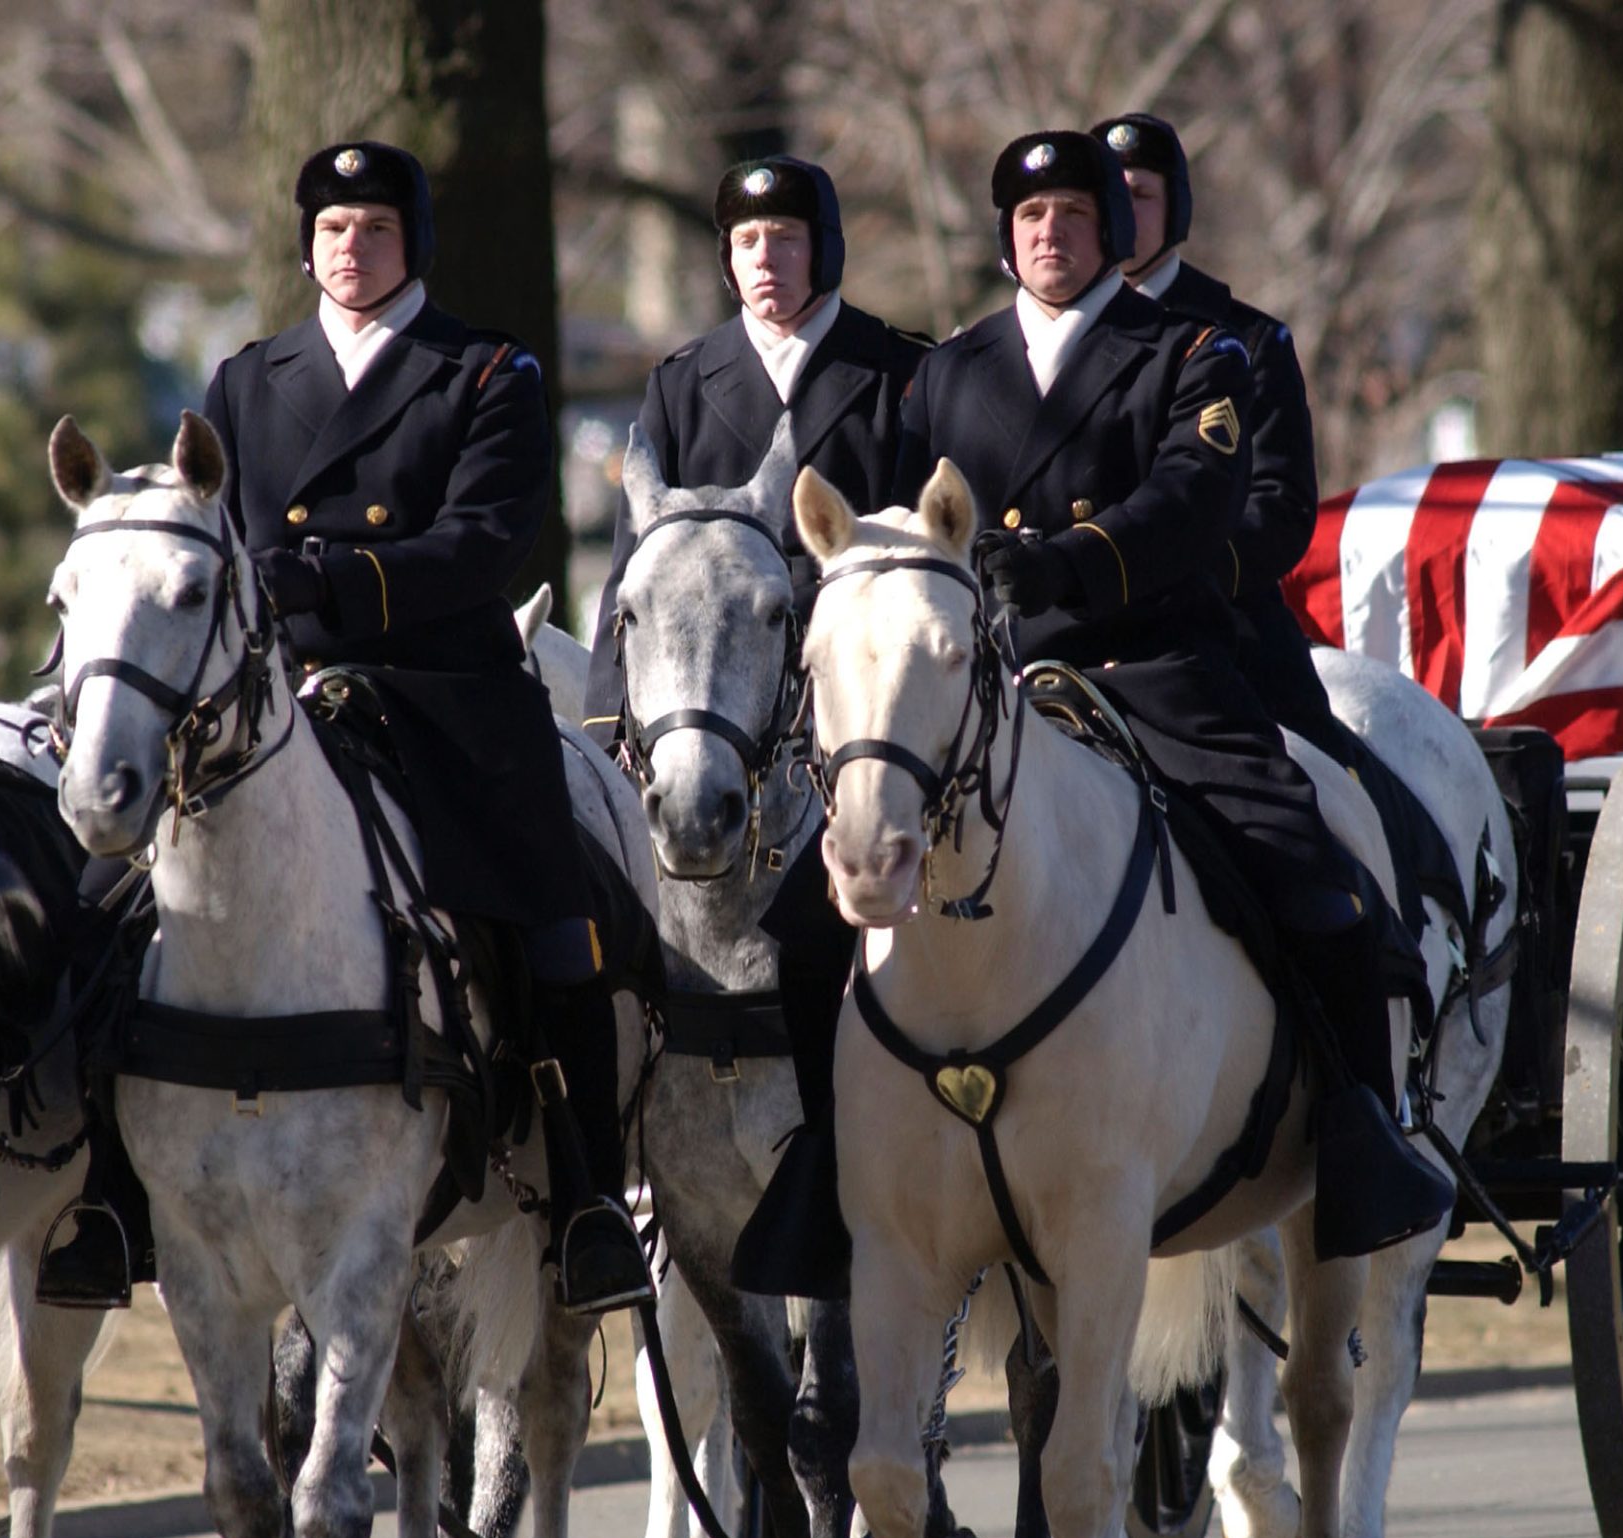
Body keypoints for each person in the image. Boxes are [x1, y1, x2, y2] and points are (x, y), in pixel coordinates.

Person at [741, 129, 1452, 1294]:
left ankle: (1361, 1137)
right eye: (1030, 219)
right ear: (1004, 238)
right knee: (808, 923)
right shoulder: (950, 371)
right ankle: (829, 1164)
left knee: (1312, 882)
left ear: (1111, 232)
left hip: (1155, 665)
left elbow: (1192, 502)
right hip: (988, 680)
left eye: (1074, 216)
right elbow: (893, 518)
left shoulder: (1194, 354)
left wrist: (1069, 563)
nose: (1050, 236)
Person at [108, 139, 649, 1314]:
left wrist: (323, 579)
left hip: (445, 696)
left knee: (557, 924)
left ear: (415, 245)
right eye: (334, 230)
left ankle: (588, 1201)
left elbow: (483, 544)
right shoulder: (247, 379)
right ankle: (106, 1196)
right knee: (116, 899)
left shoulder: (486, 370)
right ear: (307, 248)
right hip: (277, 694)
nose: (352, 248)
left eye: (376, 228)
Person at [582, 155, 927, 741]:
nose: (764, 258)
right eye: (746, 242)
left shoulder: (902, 372)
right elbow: (630, 573)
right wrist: (606, 725)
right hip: (712, 699)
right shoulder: (680, 383)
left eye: (785, 238)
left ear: (824, 250)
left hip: (864, 693)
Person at [1092, 112, 1347, 764]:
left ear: (1175, 210)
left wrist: (1178, 571)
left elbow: (1280, 506)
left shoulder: (1248, 339)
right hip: (1072, 626)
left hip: (1223, 631)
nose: (1122, 211)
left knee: (1331, 793)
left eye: (1140, 195)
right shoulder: (1042, 346)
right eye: (1107, 195)